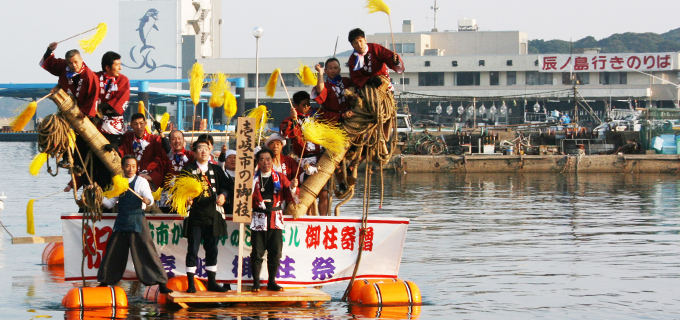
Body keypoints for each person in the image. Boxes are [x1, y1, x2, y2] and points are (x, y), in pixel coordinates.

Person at [97, 155, 172, 294]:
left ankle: (161, 283)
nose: (131, 169)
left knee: (148, 252)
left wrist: (147, 201)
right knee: (113, 252)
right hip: (122, 222)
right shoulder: (119, 182)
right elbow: (109, 203)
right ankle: (104, 281)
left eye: (133, 166)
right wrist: (97, 196)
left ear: (136, 167)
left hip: (138, 221)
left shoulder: (141, 182)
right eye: (127, 166)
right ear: (123, 167)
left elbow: (150, 200)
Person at [182, 138, 232, 293]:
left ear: (210, 151)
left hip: (213, 214)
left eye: (206, 148)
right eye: (200, 148)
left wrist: (223, 195)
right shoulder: (188, 169)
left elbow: (227, 186)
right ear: (195, 153)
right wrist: (186, 197)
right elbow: (179, 188)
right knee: (193, 249)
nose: (203, 151)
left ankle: (212, 282)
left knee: (212, 249)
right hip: (195, 214)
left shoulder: (216, 169)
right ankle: (191, 283)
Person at [250, 147, 299, 292]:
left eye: (268, 159)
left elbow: (291, 197)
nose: (266, 162)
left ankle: (272, 281)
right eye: (262, 159)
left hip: (275, 218)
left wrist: (292, 187)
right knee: (257, 252)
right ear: (258, 162)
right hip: (258, 217)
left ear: (272, 161)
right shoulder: (252, 179)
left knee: (275, 252)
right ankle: (256, 283)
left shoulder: (280, 177)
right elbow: (243, 197)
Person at [280, 91, 329, 215]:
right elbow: (285, 133)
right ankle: (310, 217)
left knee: (324, 192)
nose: (307, 107)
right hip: (305, 161)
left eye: (308, 104)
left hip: (322, 159)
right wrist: (294, 118)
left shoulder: (317, 114)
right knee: (308, 192)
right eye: (304, 105)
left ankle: (323, 220)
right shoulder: (292, 119)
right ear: (295, 106)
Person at [40, 42, 99, 118]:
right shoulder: (64, 66)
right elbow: (50, 63)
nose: (74, 65)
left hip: (82, 113)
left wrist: (84, 112)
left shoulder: (90, 76)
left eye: (76, 62)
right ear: (67, 62)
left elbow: (93, 95)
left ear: (81, 60)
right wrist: (50, 50)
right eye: (70, 63)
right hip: (66, 109)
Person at [118, 113, 169, 190]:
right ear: (131, 125)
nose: (139, 127)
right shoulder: (127, 137)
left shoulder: (154, 139)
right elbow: (121, 153)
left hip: (148, 179)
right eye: (135, 124)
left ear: (145, 124)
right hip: (130, 177)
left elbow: (166, 156)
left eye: (141, 123)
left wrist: (161, 132)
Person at [96, 51, 130, 149]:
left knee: (110, 153)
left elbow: (120, 99)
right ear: (107, 67)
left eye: (120, 65)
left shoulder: (123, 80)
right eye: (117, 65)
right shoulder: (95, 77)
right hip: (94, 122)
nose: (120, 68)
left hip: (113, 125)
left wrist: (102, 107)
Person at [158, 130, 195, 213]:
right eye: (173, 139)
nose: (177, 141)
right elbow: (158, 174)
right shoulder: (165, 157)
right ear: (170, 141)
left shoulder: (191, 155)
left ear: (183, 140)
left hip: (186, 196)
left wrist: (195, 151)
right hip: (167, 196)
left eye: (179, 138)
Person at [312, 58, 355, 123]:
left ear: (339, 70)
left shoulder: (347, 81)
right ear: (325, 70)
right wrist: (320, 72)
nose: (333, 71)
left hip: (351, 119)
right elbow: (320, 90)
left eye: (335, 68)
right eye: (330, 68)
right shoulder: (325, 86)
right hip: (333, 121)